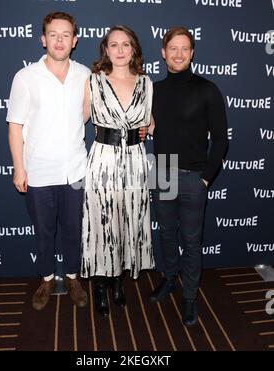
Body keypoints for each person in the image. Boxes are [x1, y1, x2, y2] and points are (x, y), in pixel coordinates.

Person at [7, 12, 90, 311]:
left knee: (73, 230)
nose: (59, 40)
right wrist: (19, 167)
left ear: (75, 40)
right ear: (43, 39)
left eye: (65, 34)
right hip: (39, 171)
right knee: (44, 232)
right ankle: (45, 278)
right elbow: (15, 125)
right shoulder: (26, 77)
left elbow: (85, 113)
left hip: (75, 170)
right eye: (53, 34)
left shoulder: (85, 75)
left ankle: (71, 277)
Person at [150, 27, 228, 326]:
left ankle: (190, 296)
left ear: (192, 53)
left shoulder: (207, 89)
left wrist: (206, 178)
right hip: (163, 172)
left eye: (184, 48)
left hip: (194, 175)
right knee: (167, 234)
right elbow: (149, 126)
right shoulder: (153, 90)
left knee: (192, 242)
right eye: (173, 48)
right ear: (163, 52)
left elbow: (221, 140)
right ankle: (170, 279)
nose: (179, 54)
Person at [81, 25, 155, 317]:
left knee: (127, 222)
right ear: (106, 50)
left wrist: (145, 130)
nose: (121, 50)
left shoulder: (146, 83)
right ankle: (100, 285)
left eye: (126, 44)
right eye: (114, 45)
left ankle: (118, 281)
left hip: (135, 161)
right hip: (103, 160)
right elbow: (76, 119)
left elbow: (151, 122)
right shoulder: (94, 81)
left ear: (134, 49)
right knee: (103, 223)